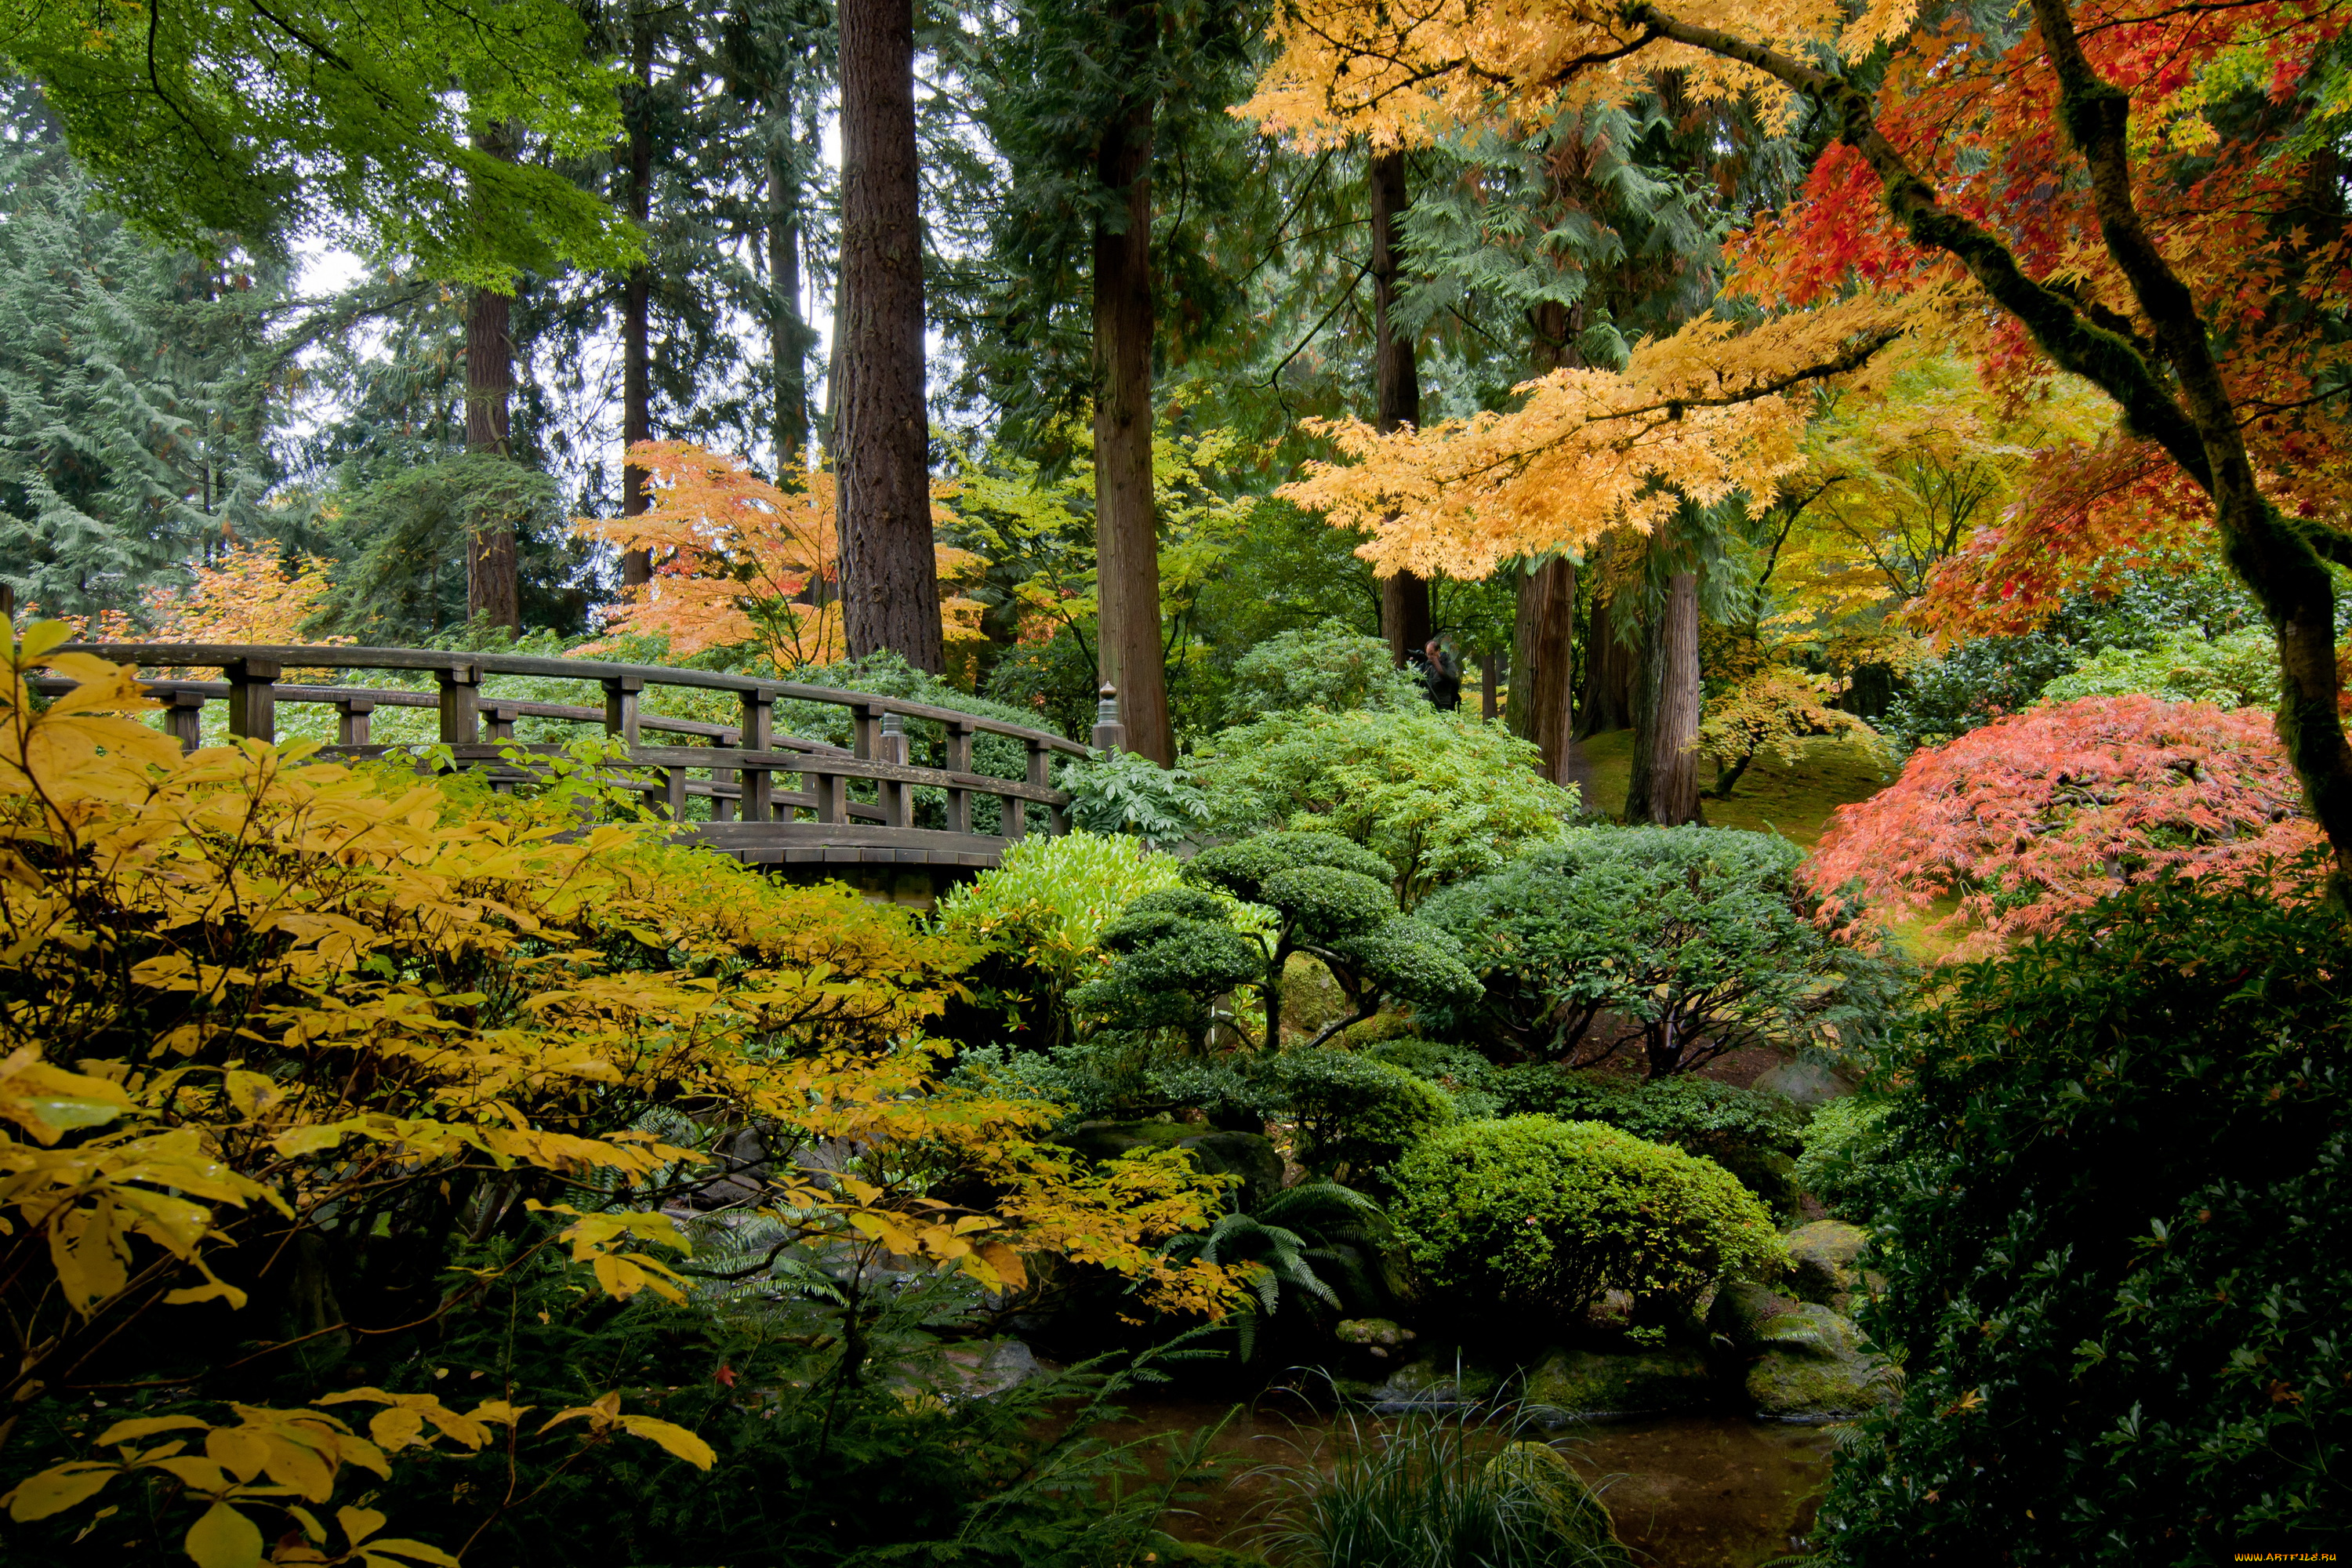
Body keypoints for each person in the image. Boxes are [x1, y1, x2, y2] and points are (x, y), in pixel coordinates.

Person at [1423, 636, 1461, 712]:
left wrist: (1437, 664)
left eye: (1432, 654)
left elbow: (1452, 678)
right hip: (1428, 703)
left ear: (1438, 651)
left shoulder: (1448, 663)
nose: (1430, 657)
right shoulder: (1426, 665)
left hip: (1443, 703)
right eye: (1428, 654)